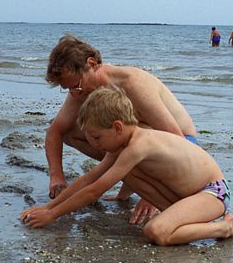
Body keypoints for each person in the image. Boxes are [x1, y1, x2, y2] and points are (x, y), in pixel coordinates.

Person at [21, 87, 233, 245]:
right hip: (186, 196)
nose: (94, 144)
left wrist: (54, 214)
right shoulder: (121, 146)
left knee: (156, 231)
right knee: (128, 173)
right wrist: (47, 207)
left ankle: (222, 228)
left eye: (97, 137)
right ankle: (179, 221)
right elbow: (90, 178)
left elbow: (95, 190)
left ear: (117, 127)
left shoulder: (140, 145)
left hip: (213, 193)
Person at [44, 34, 197, 224]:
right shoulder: (81, 92)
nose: (74, 93)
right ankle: (130, 178)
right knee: (74, 132)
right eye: (67, 89)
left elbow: (175, 138)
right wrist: (56, 175)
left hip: (183, 143)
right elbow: (55, 132)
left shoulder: (132, 83)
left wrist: (152, 197)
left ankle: (146, 185)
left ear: (91, 64)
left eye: (76, 85)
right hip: (141, 141)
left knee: (127, 136)